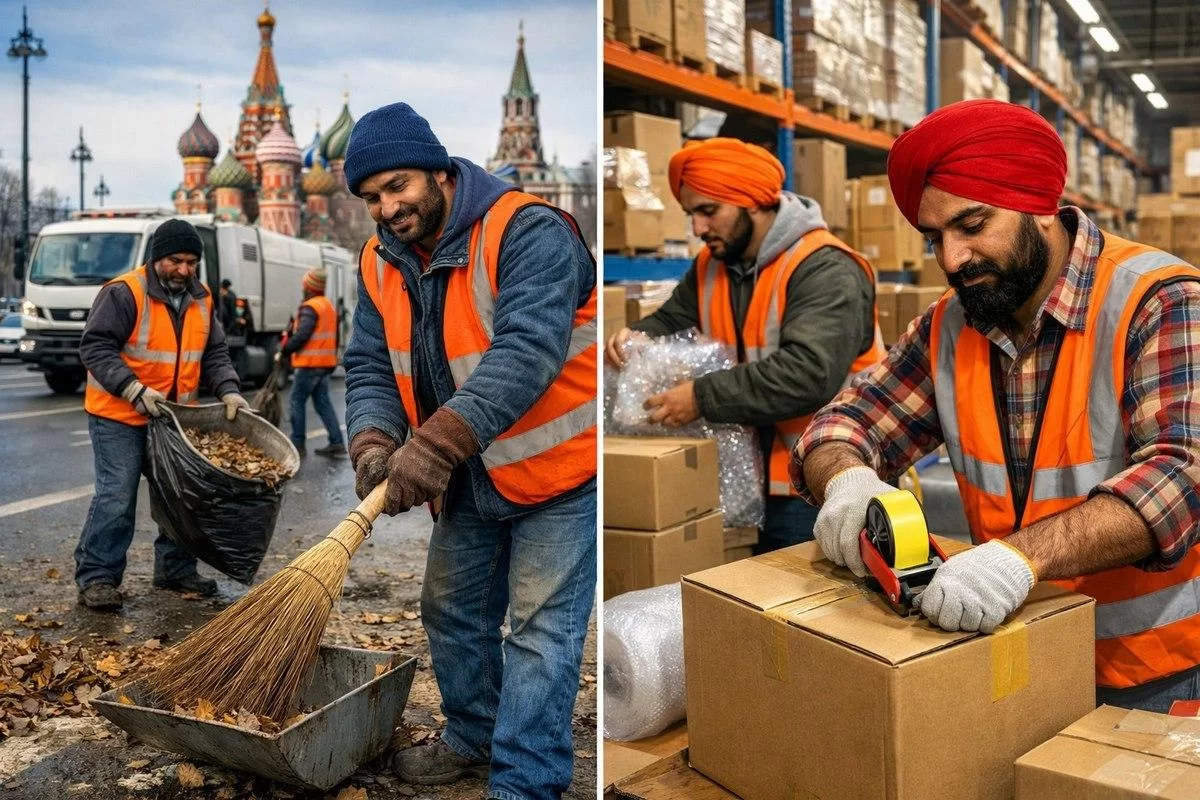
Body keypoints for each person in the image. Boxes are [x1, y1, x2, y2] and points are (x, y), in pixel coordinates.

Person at [792, 99, 1200, 713]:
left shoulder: (1160, 301)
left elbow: (1183, 473)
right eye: (934, 238)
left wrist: (1020, 557)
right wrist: (846, 480)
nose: (951, 259)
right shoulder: (951, 326)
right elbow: (846, 422)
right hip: (1014, 650)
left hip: (1152, 670)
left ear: (1040, 205)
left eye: (972, 224)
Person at [342, 102, 596, 799]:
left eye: (397, 186)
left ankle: (525, 781)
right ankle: (475, 737)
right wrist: (373, 440)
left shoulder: (528, 229)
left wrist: (433, 447)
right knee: (452, 613)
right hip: (470, 477)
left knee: (540, 634)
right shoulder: (379, 259)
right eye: (371, 198)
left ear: (439, 171)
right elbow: (369, 364)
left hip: (559, 473)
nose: (387, 208)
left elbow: (526, 350)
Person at [605, 137, 885, 552]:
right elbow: (672, 319)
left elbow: (808, 374)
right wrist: (636, 337)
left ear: (752, 202)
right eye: (691, 214)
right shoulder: (711, 266)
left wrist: (700, 397)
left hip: (821, 474)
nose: (698, 229)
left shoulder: (825, 268)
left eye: (708, 211)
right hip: (747, 475)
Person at [76, 218, 251, 611]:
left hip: (172, 419)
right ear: (157, 258)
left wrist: (229, 390)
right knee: (117, 496)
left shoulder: (201, 298)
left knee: (179, 495)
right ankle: (97, 577)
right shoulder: (124, 292)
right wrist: (134, 390)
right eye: (176, 261)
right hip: (119, 415)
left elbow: (214, 353)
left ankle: (174, 569)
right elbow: (95, 347)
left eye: (191, 262)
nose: (184, 270)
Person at [277, 268, 345, 457]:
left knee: (296, 401)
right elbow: (334, 337)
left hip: (309, 364)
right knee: (322, 403)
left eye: (304, 285)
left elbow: (302, 335)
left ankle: (297, 444)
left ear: (309, 287)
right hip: (324, 364)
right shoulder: (328, 306)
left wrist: (284, 350)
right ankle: (337, 442)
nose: (303, 288)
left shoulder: (310, 307)